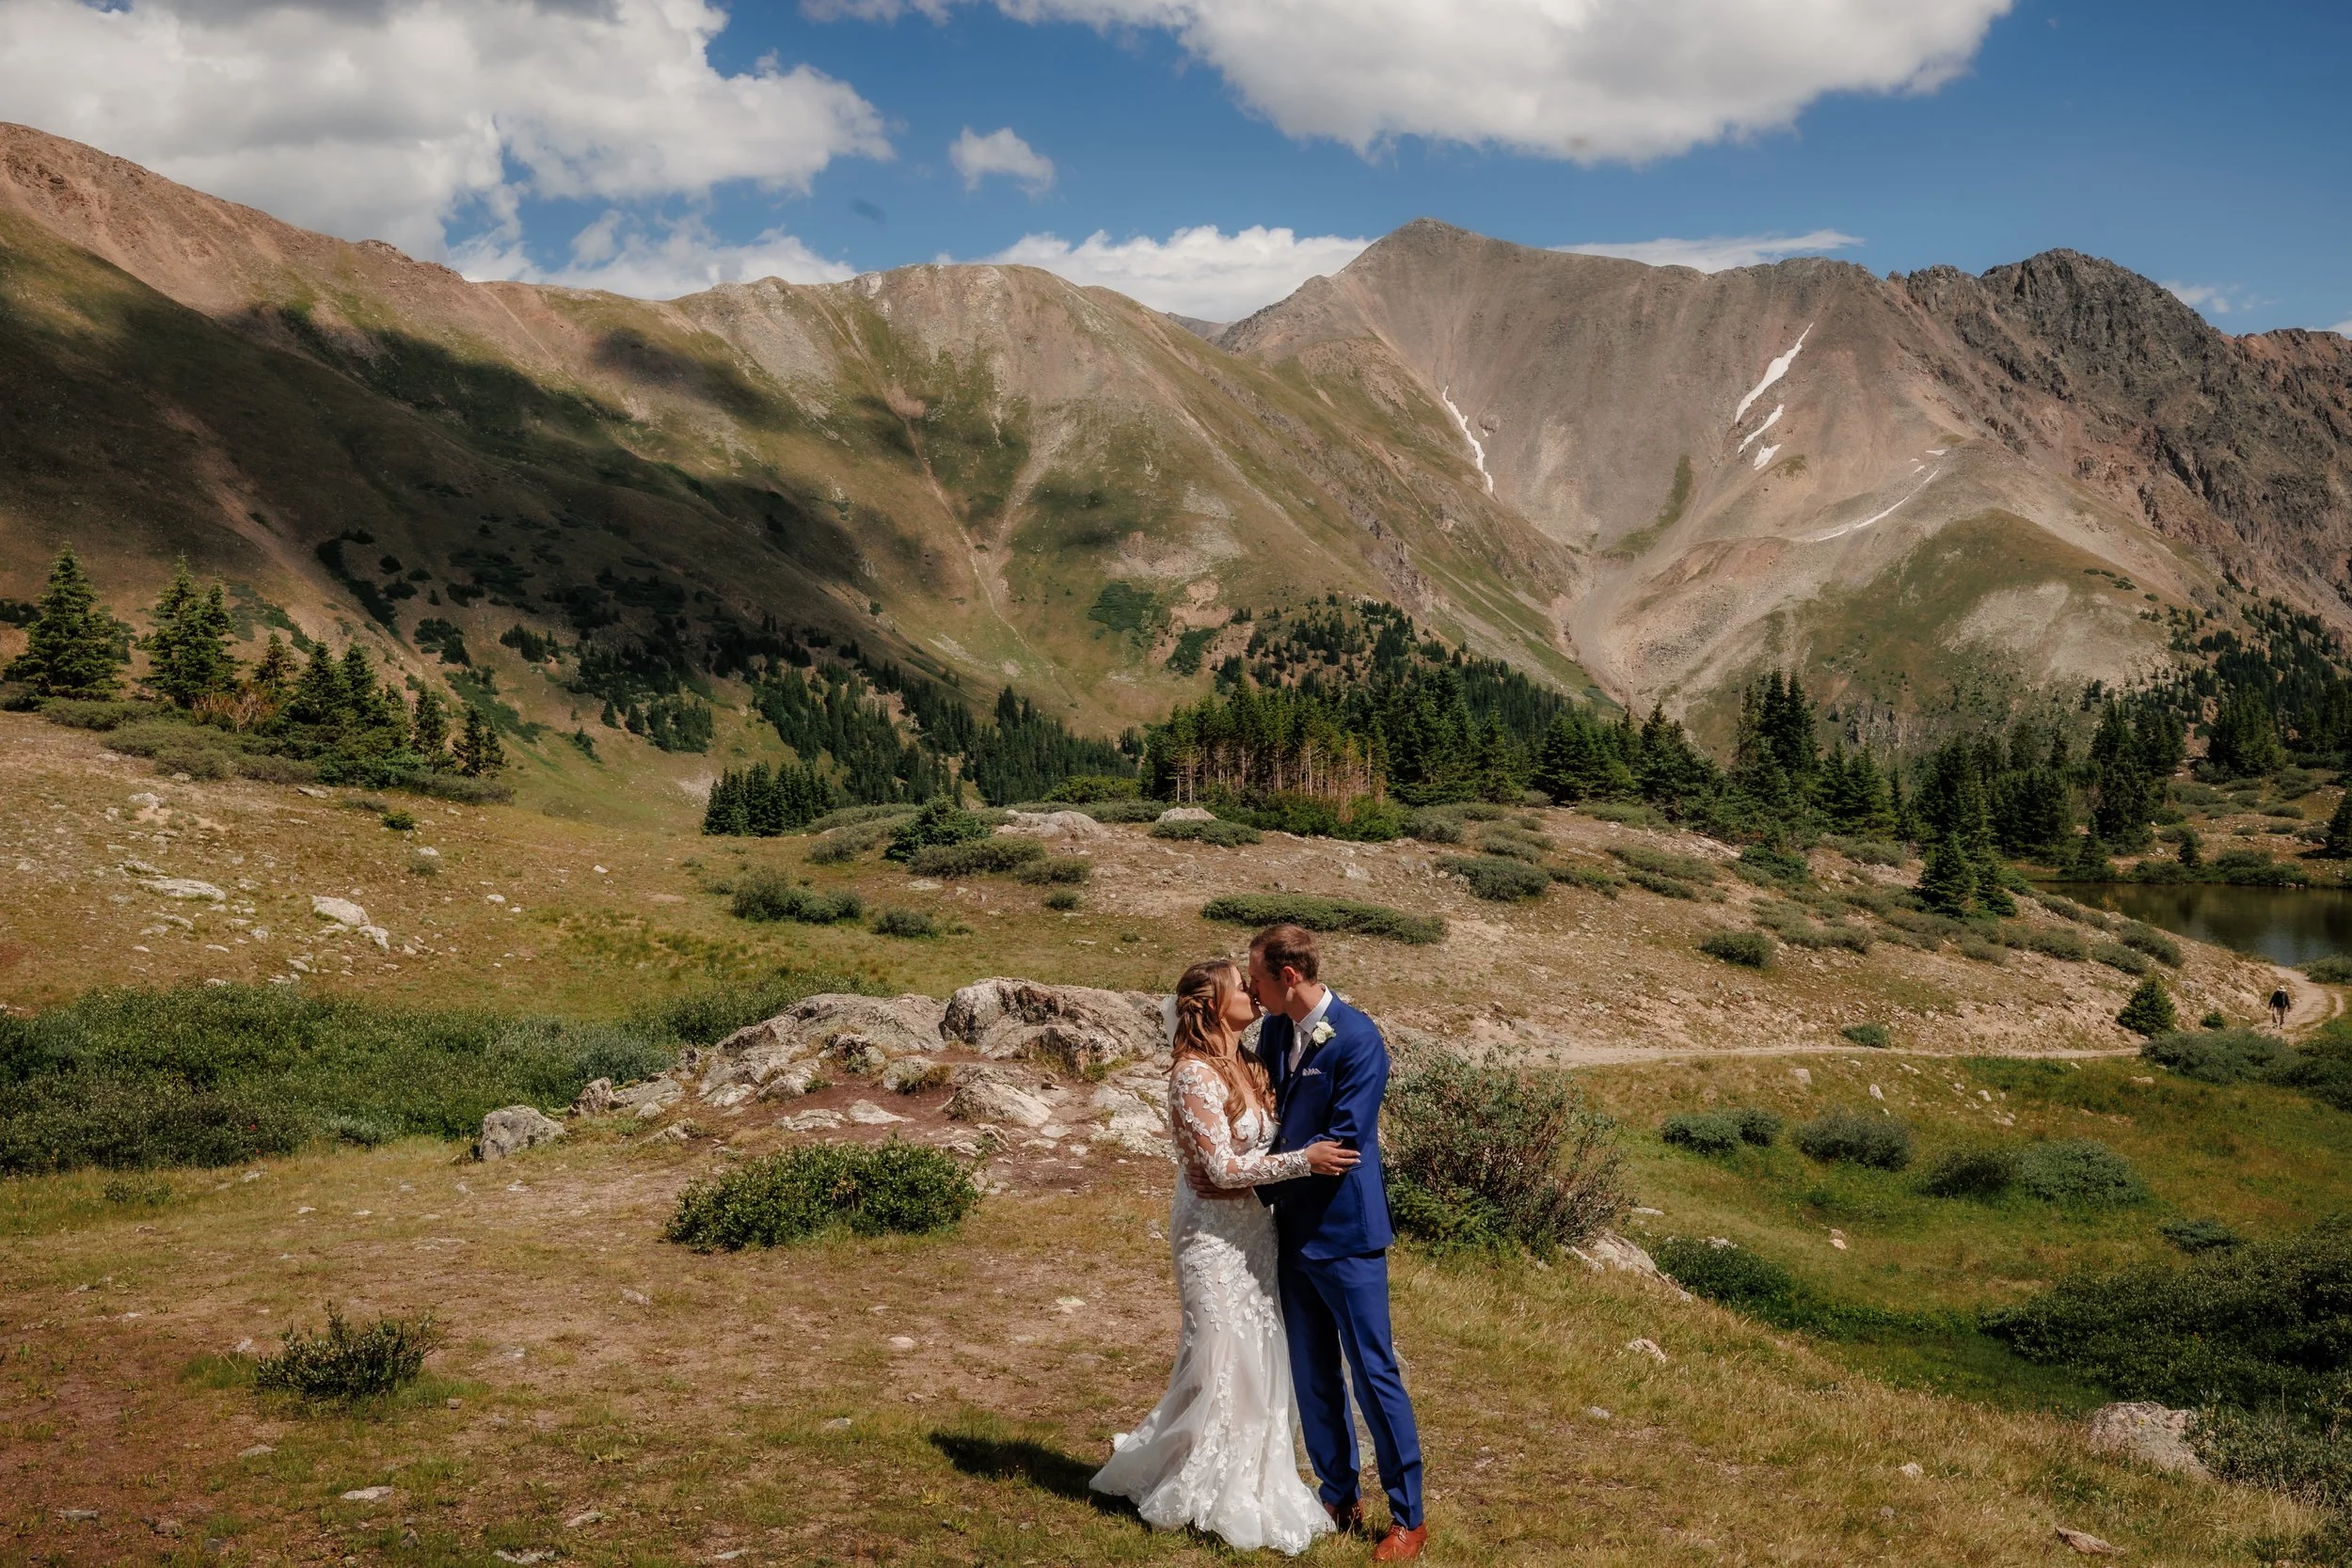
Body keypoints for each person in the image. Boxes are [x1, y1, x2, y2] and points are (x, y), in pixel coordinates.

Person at [1089, 958, 1358, 1554]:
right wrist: (1303, 1161)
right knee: (1215, 1348)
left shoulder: (1251, 1063)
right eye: (1242, 987)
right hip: (1209, 1232)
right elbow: (1215, 1169)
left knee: (1256, 1352)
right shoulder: (1192, 1075)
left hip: (1255, 1229)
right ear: (1213, 1004)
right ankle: (1198, 1477)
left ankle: (1250, 1474)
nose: (1254, 995)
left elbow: (1257, 1149)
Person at [1243, 923, 1428, 1561]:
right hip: (1290, 1231)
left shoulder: (1356, 1037)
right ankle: (1338, 1494)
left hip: (1346, 1233)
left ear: (1288, 976)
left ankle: (1410, 1517)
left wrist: (1270, 1171)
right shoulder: (1271, 1031)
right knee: (1313, 1372)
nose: (1252, 987)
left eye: (1258, 977)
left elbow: (1344, 1144)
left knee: (1374, 1374)